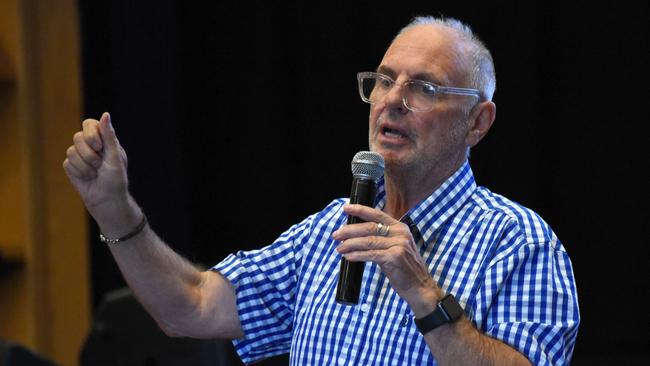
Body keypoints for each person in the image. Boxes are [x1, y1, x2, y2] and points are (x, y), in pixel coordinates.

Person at [63, 16, 579, 366]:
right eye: (383, 80)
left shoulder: (518, 241)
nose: (392, 101)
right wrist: (114, 211)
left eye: (424, 87)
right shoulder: (330, 230)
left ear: (477, 122)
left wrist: (427, 298)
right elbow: (193, 306)